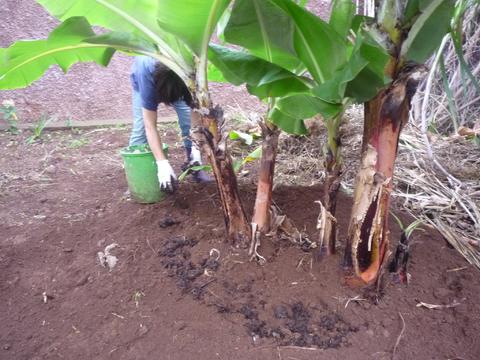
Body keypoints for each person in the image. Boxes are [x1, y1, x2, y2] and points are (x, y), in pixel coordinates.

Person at [129, 56, 211, 192]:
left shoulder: (190, 73)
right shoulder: (147, 77)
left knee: (187, 121)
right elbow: (150, 126)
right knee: (141, 129)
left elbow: (195, 115)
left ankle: (194, 166)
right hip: (145, 82)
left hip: (178, 82)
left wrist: (197, 150)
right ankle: (139, 180)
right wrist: (163, 164)